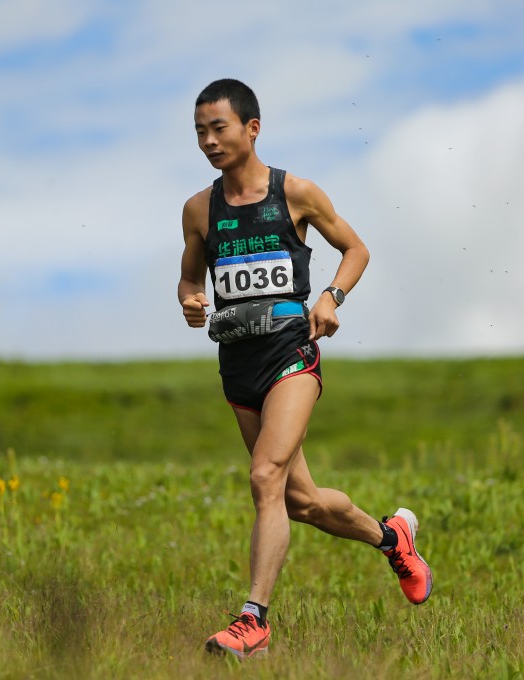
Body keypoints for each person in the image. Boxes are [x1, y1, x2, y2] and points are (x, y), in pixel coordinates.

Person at [177, 78, 433, 660]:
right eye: (199, 132)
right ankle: (393, 538)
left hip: (291, 356)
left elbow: (356, 249)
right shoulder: (199, 210)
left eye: (218, 128)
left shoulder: (296, 193)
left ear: (252, 128)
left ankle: (253, 622)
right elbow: (191, 277)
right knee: (303, 501)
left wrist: (331, 298)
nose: (208, 141)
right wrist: (190, 301)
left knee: (265, 477)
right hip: (236, 366)